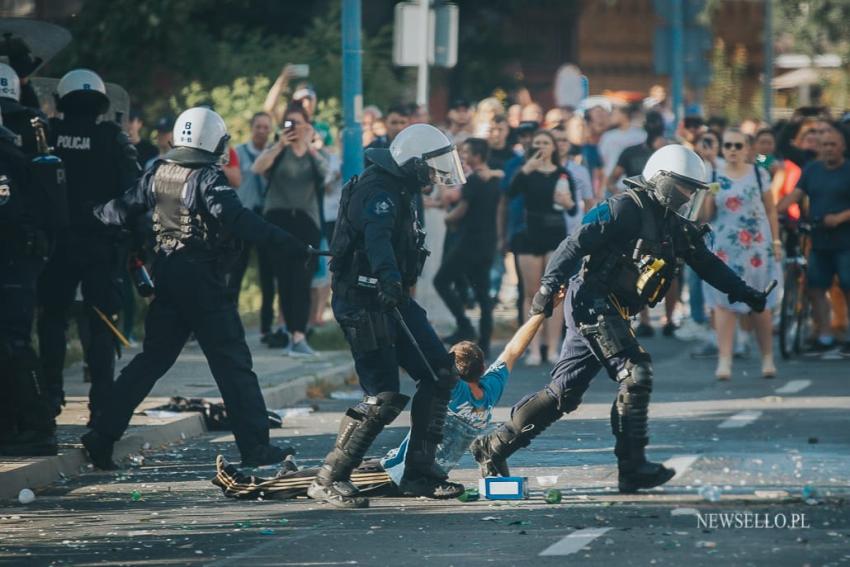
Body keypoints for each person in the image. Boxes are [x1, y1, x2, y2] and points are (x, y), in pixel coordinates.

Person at [472, 145, 773, 493]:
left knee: (563, 394)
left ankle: (492, 446)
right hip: (591, 301)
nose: (689, 195)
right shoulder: (622, 208)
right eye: (683, 187)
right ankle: (632, 467)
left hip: (614, 309)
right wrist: (546, 288)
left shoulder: (672, 224)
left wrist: (745, 292)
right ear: (661, 180)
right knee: (636, 370)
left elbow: (706, 262)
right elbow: (573, 245)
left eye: (693, 190)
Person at [80, 107, 308, 470]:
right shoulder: (207, 179)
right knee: (233, 365)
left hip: (167, 277)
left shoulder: (158, 172)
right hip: (203, 281)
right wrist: (291, 245)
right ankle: (256, 448)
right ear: (211, 141)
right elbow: (240, 220)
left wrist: (81, 218)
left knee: (151, 360)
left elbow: (118, 211)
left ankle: (102, 435)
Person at [212, 291, 566, 500]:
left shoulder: (454, 388)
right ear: (479, 367)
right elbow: (514, 349)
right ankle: (261, 479)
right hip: (402, 470)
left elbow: (507, 351)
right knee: (325, 477)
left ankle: (259, 480)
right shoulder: (488, 391)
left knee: (326, 477)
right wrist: (541, 311)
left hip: (399, 473)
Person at [307, 123, 467, 508]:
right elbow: (377, 240)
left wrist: (395, 287)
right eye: (428, 167)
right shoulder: (377, 191)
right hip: (364, 299)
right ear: (412, 164)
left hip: (392, 297)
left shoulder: (403, 189)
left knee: (439, 374)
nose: (433, 176)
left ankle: (419, 474)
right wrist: (389, 279)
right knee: (382, 396)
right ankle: (329, 478)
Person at [37, 69, 140, 423]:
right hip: (101, 246)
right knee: (102, 326)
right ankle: (101, 409)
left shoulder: (48, 134)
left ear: (63, 102)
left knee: (52, 321)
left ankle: (50, 399)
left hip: (56, 246)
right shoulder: (112, 137)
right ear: (100, 104)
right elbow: (134, 193)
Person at [0, 111, 67, 456]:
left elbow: (7, 212)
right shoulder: (13, 152)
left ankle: (39, 426)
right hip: (16, 263)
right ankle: (15, 424)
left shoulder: (5, 158)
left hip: (12, 265)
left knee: (14, 344)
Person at [702, 129, 782, 379]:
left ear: (748, 148)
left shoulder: (759, 174)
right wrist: (708, 194)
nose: (733, 150)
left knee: (760, 303)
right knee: (723, 305)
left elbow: (770, 210)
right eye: (728, 145)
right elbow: (706, 216)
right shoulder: (715, 175)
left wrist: (776, 241)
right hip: (725, 249)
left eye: (738, 145)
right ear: (722, 148)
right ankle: (724, 361)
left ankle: (767, 359)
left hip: (756, 248)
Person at [251, 104, 327, 356]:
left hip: (307, 221)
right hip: (278, 220)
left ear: (308, 124)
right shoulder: (277, 148)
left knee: (303, 279)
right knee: (284, 279)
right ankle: (291, 334)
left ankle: (299, 335)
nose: (293, 128)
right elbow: (257, 168)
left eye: (298, 123)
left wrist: (309, 144)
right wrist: (280, 144)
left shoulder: (314, 153)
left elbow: (326, 175)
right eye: (289, 123)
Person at [778, 126, 850, 357]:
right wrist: (774, 212)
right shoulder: (811, 170)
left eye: (833, 144)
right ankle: (825, 334)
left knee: (848, 285)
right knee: (815, 286)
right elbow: (796, 195)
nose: (828, 149)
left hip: (845, 239)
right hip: (818, 238)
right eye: (825, 145)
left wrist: (839, 217)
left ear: (843, 147)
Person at [508, 129, 575, 365]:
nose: (541, 146)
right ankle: (533, 348)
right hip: (530, 235)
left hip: (555, 234)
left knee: (555, 292)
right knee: (531, 292)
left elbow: (573, 209)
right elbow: (509, 192)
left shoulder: (563, 173)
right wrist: (526, 169)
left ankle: (553, 347)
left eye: (545, 142)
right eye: (537, 142)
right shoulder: (526, 173)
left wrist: (568, 202)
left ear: (554, 147)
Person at [435, 138, 501, 355]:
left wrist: (448, 219)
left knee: (441, 280)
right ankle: (485, 342)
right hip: (487, 242)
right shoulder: (493, 179)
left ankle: (464, 326)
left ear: (477, 156)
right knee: (483, 295)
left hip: (469, 241)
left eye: (466, 152)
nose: (463, 156)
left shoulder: (474, 180)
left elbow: (462, 208)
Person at [228, 112, 279, 346]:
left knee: (268, 276)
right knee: (235, 272)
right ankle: (229, 323)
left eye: (266, 127)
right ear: (251, 127)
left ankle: (266, 327)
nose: (262, 130)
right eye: (258, 126)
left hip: (266, 216)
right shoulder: (238, 152)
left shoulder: (274, 154)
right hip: (243, 214)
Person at [598, 102, 646, 186]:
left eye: (614, 114)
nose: (611, 117)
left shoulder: (641, 135)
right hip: (612, 184)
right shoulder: (608, 136)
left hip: (634, 185)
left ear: (624, 115)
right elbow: (603, 162)